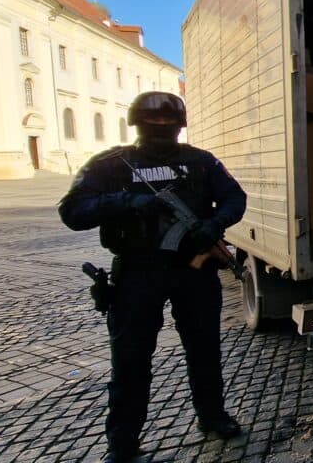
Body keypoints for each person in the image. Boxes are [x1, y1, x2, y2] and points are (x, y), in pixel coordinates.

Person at [58, 92, 247, 462]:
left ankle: (212, 416)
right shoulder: (112, 164)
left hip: (194, 270)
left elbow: (234, 198)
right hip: (137, 274)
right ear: (137, 126)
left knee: (205, 351)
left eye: (169, 126)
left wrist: (215, 224)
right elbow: (72, 211)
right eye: (153, 126)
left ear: (180, 127)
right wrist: (128, 203)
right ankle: (123, 441)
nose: (162, 132)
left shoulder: (201, 162)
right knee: (130, 361)